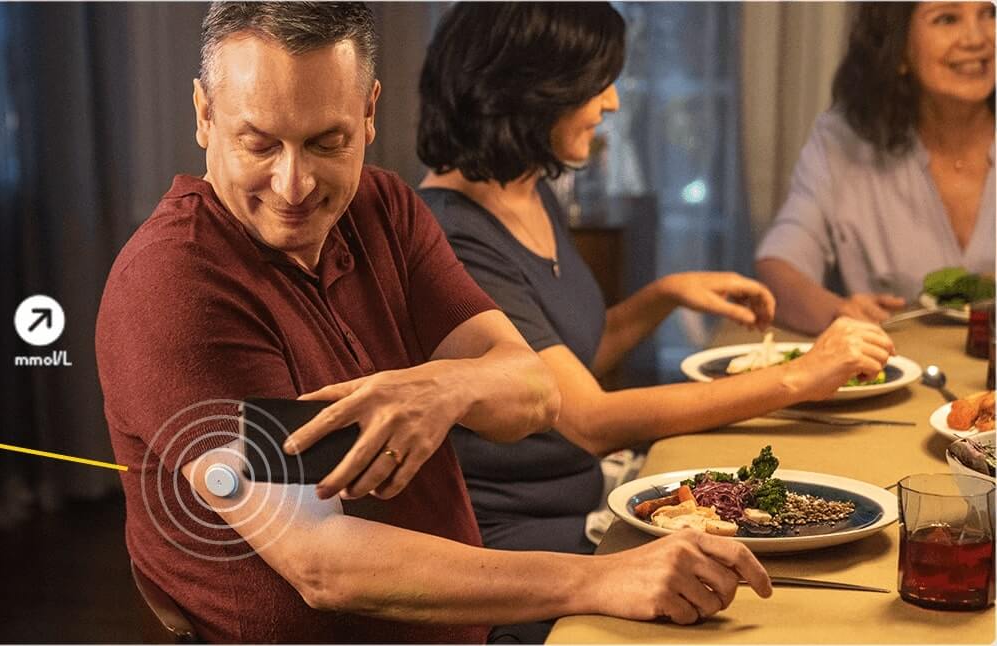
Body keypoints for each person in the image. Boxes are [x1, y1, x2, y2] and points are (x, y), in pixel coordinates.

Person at [95, 3, 772, 643]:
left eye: (326, 141)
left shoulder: (382, 208)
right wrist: (598, 579)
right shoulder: (176, 285)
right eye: (260, 144)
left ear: (368, 115)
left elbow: (534, 395)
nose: (294, 184)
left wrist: (446, 389)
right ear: (204, 116)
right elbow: (323, 561)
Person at [417, 5, 891, 639]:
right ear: (533, 89)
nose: (610, 103)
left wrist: (662, 296)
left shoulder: (522, 188)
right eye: (596, 84)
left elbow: (566, 357)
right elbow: (585, 420)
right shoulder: (452, 232)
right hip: (523, 553)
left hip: (583, 508)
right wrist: (798, 378)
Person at [755, 1, 995, 334]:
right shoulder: (843, 143)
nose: (977, 37)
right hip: (899, 372)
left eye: (991, 13)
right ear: (898, 49)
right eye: (947, 18)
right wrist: (838, 312)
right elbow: (779, 267)